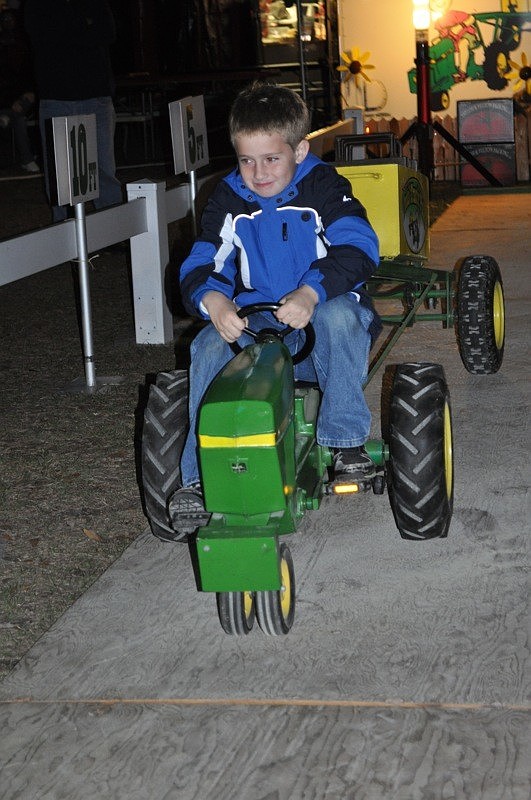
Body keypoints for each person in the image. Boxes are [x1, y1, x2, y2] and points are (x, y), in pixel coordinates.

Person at [174, 82, 381, 530]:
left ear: (300, 149)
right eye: (247, 160)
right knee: (208, 345)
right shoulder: (228, 198)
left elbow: (360, 245)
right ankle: (196, 477)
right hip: (260, 322)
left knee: (340, 314)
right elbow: (203, 260)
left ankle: (344, 440)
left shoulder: (324, 187)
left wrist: (311, 291)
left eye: (272, 159)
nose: (259, 172)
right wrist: (212, 298)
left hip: (322, 314)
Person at [24, 0, 122, 222]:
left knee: (104, 171)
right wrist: (84, 25)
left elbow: (108, 32)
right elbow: (43, 35)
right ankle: (66, 235)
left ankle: (113, 231)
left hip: (95, 94)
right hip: (57, 96)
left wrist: (71, 27)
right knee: (61, 177)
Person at [0, 7, 38, 172]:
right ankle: (27, 159)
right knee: (20, 120)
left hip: (24, 98)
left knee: (19, 112)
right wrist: (10, 102)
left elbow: (29, 73)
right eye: (5, 20)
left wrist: (29, 92)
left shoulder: (25, 44)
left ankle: (6, 115)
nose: (9, 22)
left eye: (11, 19)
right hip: (6, 99)